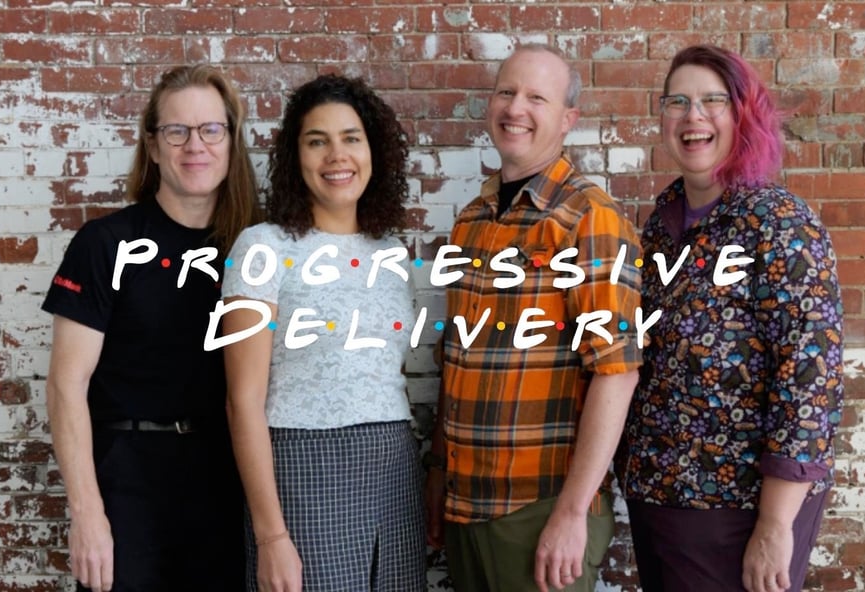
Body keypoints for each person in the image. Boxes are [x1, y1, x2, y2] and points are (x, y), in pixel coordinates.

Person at [617, 44, 844, 592]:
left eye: (712, 101)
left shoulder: (779, 224)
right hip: (660, 498)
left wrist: (775, 524)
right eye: (677, 101)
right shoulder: (662, 227)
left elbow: (810, 380)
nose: (692, 116)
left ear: (744, 114)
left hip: (739, 510)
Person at [425, 44, 644, 592]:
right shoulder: (472, 222)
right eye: (507, 91)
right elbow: (458, 357)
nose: (515, 107)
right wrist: (439, 473)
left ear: (568, 119)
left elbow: (617, 372)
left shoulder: (589, 218)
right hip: (465, 504)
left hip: (541, 511)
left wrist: (571, 513)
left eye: (536, 98)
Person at [43, 64, 260, 591]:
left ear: (231, 142)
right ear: (154, 146)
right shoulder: (106, 243)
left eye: (211, 129)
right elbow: (65, 385)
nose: (195, 145)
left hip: (225, 479)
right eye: (176, 131)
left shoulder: (256, 247)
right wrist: (87, 514)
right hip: (127, 479)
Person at [221, 73, 426, 592]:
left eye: (351, 138)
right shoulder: (263, 248)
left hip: (394, 469)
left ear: (373, 151)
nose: (337, 155)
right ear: (296, 157)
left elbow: (386, 377)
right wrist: (271, 536)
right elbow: (242, 402)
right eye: (318, 141)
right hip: (303, 469)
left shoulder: (391, 253)